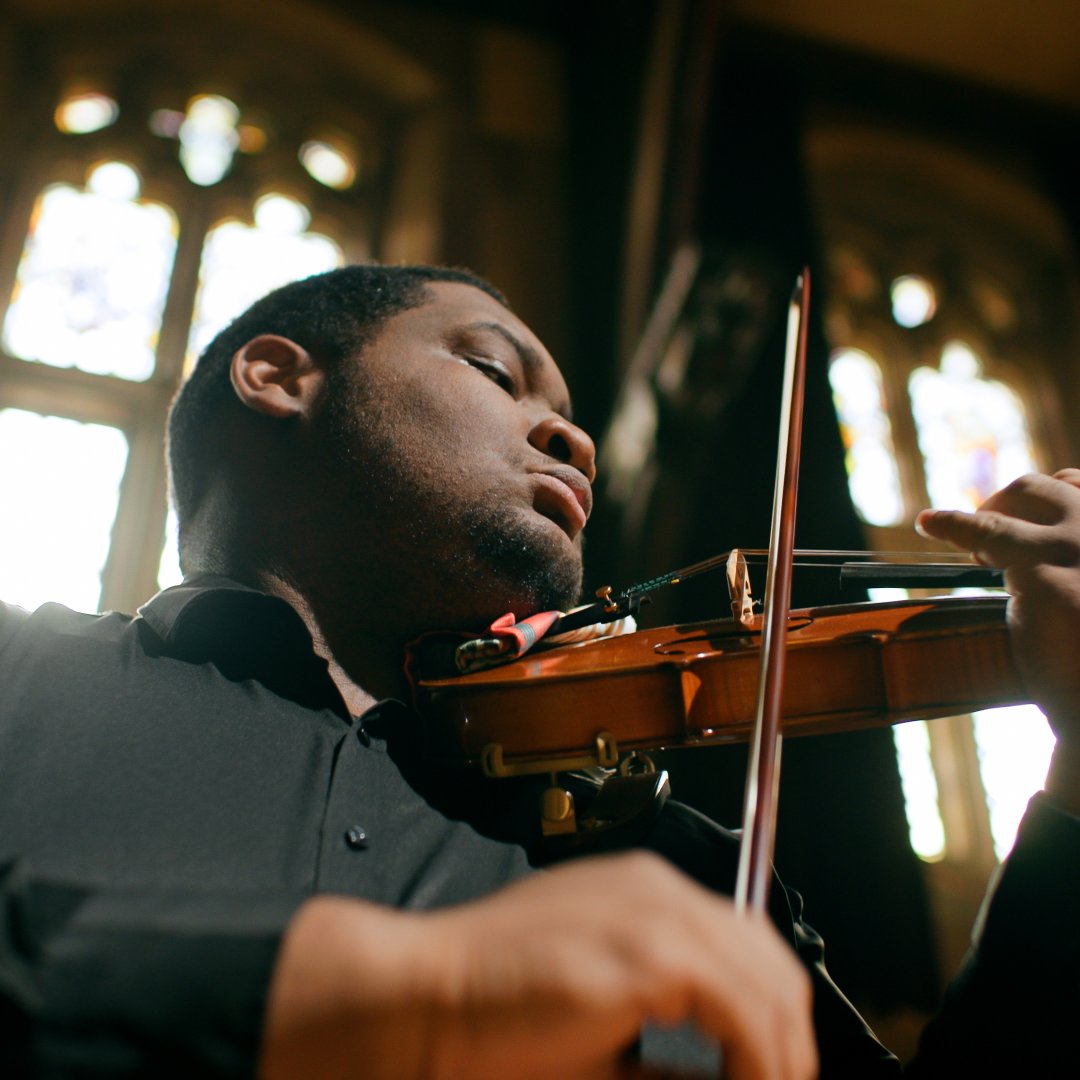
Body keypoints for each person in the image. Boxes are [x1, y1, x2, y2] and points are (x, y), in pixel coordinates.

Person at [0, 263, 1077, 1079]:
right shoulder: (22, 680)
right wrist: (383, 994)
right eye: (493, 370)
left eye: (566, 415)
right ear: (279, 378)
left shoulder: (679, 867)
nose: (575, 438)